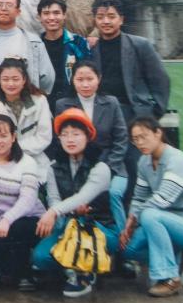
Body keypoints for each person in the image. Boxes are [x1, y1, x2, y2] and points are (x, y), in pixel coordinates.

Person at [31, 108, 119, 298]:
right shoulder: (53, 168)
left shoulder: (100, 168)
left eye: (76, 134)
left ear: (88, 136)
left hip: (99, 227)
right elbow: (53, 198)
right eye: (65, 134)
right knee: (40, 257)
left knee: (75, 240)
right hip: (68, 224)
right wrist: (61, 212)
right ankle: (80, 265)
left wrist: (53, 212)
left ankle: (84, 274)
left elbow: (83, 197)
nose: (70, 139)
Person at [121, 116, 183, 298]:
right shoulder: (144, 162)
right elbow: (139, 197)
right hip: (163, 221)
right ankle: (176, 257)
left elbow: (162, 200)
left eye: (144, 136)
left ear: (158, 133)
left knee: (149, 215)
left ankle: (170, 279)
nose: (140, 143)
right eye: (135, 139)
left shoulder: (177, 160)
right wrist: (129, 221)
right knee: (128, 248)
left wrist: (135, 220)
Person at [55, 60, 130, 227]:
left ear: (99, 79)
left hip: (112, 164)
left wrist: (109, 167)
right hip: (78, 165)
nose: (85, 84)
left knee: (114, 193)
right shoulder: (62, 105)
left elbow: (121, 139)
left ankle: (122, 232)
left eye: (90, 79)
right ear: (72, 80)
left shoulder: (111, 103)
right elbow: (61, 139)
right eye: (80, 79)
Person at [0, 114, 45, 295]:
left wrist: (7, 219)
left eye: (3, 135)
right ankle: (14, 271)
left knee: (15, 231)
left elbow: (28, 200)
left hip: (28, 218)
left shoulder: (27, 163)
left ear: (13, 137)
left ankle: (25, 275)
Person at [89, 0, 171, 122]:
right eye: (100, 17)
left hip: (133, 111)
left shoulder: (140, 45)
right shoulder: (90, 49)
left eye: (111, 16)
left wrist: (154, 113)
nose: (106, 21)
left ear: (121, 19)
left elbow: (160, 80)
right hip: (101, 112)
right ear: (95, 21)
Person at [0, 58, 53, 181]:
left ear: (24, 80)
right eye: (5, 79)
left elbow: (44, 137)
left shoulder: (40, 101)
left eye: (15, 79)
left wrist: (14, 148)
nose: (10, 84)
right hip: (2, 161)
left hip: (35, 160)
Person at [0, 0, 54, 93]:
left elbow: (47, 78)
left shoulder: (33, 42)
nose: (3, 8)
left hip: (27, 99)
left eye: (9, 5)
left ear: (18, 11)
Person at [38, 0, 90, 112]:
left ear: (64, 15)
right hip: (43, 104)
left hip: (73, 103)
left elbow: (88, 73)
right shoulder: (35, 45)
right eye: (46, 13)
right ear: (39, 17)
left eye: (56, 13)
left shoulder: (78, 42)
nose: (52, 17)